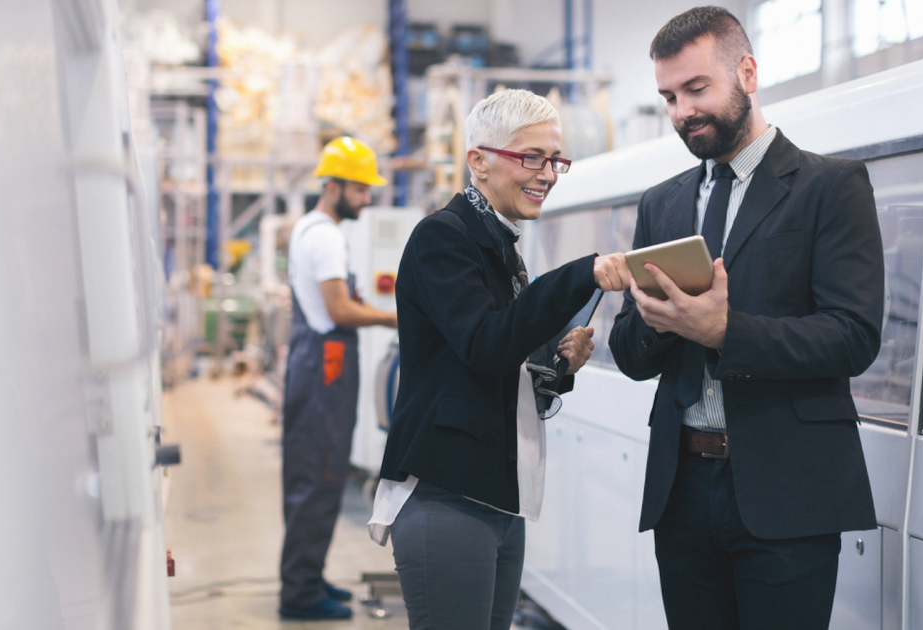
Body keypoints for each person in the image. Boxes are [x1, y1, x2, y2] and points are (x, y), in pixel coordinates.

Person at [609, 7, 884, 630]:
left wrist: (725, 333)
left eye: (696, 89)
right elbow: (629, 353)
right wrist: (657, 320)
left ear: (748, 73)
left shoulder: (830, 187)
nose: (682, 112)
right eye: (668, 97)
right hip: (681, 489)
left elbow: (854, 335)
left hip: (787, 490)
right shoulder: (664, 203)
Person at [368, 89, 632, 630]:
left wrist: (558, 367)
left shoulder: (503, 247)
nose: (549, 173)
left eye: (555, 159)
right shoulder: (443, 237)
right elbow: (484, 346)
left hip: (499, 500)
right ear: (479, 161)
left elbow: (503, 365)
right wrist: (582, 274)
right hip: (448, 497)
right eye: (531, 157)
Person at [279, 136, 398, 621]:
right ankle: (301, 592)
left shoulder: (309, 227)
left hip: (316, 360)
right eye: (360, 189)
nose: (367, 199)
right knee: (322, 474)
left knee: (314, 472)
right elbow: (339, 309)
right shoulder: (325, 236)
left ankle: (308, 574)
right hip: (325, 361)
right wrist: (396, 319)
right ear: (333, 185)